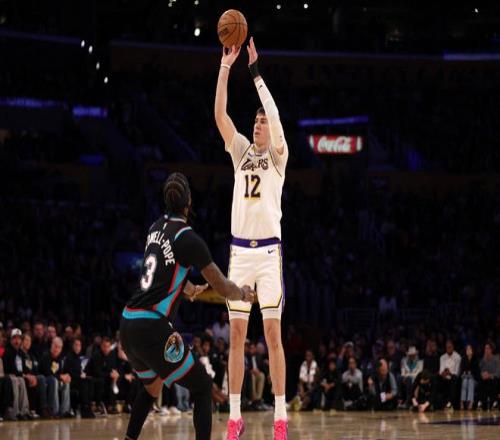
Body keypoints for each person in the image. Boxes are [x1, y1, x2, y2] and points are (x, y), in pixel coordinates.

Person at [119, 172, 255, 440]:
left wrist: (188, 287)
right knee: (202, 386)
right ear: (189, 201)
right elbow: (222, 286)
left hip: (128, 323)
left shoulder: (154, 228)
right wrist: (242, 293)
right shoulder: (189, 238)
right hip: (151, 326)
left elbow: (161, 274)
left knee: (152, 387)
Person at [215, 37, 289, 439]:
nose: (258, 124)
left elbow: (274, 113)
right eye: (256, 121)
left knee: (273, 335)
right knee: (237, 337)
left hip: (269, 255)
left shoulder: (278, 155)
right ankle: (234, 417)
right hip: (240, 254)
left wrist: (255, 73)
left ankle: (280, 416)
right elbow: (219, 114)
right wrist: (226, 67)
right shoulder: (241, 150)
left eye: (262, 122)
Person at [40, 337, 73, 418]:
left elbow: (60, 372)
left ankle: (65, 410)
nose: (56, 349)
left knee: (66, 382)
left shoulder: (60, 359)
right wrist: (61, 376)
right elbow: (48, 372)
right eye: (55, 346)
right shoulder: (46, 356)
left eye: (59, 347)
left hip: (56, 379)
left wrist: (66, 376)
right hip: (46, 380)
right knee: (54, 380)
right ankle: (55, 411)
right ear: (51, 345)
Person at [2, 329, 31, 420]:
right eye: (14, 338)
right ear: (11, 340)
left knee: (21, 380)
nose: (17, 341)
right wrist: (22, 375)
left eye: (19, 338)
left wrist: (27, 375)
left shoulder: (21, 353)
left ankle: (24, 411)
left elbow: (25, 368)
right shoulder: (7, 352)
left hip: (18, 376)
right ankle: (14, 412)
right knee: (15, 380)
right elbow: (7, 369)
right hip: (7, 377)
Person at [65, 338, 95, 418]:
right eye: (76, 345)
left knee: (90, 381)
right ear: (73, 346)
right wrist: (80, 376)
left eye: (79, 345)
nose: (78, 347)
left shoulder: (80, 357)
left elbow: (82, 369)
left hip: (79, 378)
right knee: (83, 383)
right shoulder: (69, 357)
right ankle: (84, 408)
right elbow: (68, 371)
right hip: (72, 380)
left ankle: (88, 406)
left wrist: (84, 374)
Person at [21, 332, 49, 418]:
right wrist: (27, 375)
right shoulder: (19, 354)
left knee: (41, 378)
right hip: (23, 377)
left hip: (32, 377)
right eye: (26, 340)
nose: (28, 343)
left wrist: (33, 376)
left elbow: (35, 370)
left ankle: (41, 409)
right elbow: (18, 370)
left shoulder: (31, 355)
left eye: (29, 341)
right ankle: (42, 408)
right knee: (41, 378)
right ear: (22, 341)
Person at [439, 340, 461, 409]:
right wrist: (444, 373)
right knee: (437, 378)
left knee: (454, 379)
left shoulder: (457, 357)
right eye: (447, 347)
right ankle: (439, 403)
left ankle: (450, 402)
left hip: (453, 377)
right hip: (444, 376)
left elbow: (457, 372)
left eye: (450, 347)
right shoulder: (442, 357)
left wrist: (449, 373)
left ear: (453, 347)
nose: (448, 349)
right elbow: (441, 371)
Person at [460, 344, 480, 410]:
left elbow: (477, 372)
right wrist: (466, 372)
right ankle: (462, 401)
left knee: (470, 381)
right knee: (465, 381)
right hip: (465, 378)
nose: (468, 350)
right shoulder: (463, 359)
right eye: (467, 349)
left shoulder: (476, 359)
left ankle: (470, 402)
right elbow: (462, 370)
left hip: (474, 379)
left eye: (469, 349)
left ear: (472, 351)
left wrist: (471, 372)